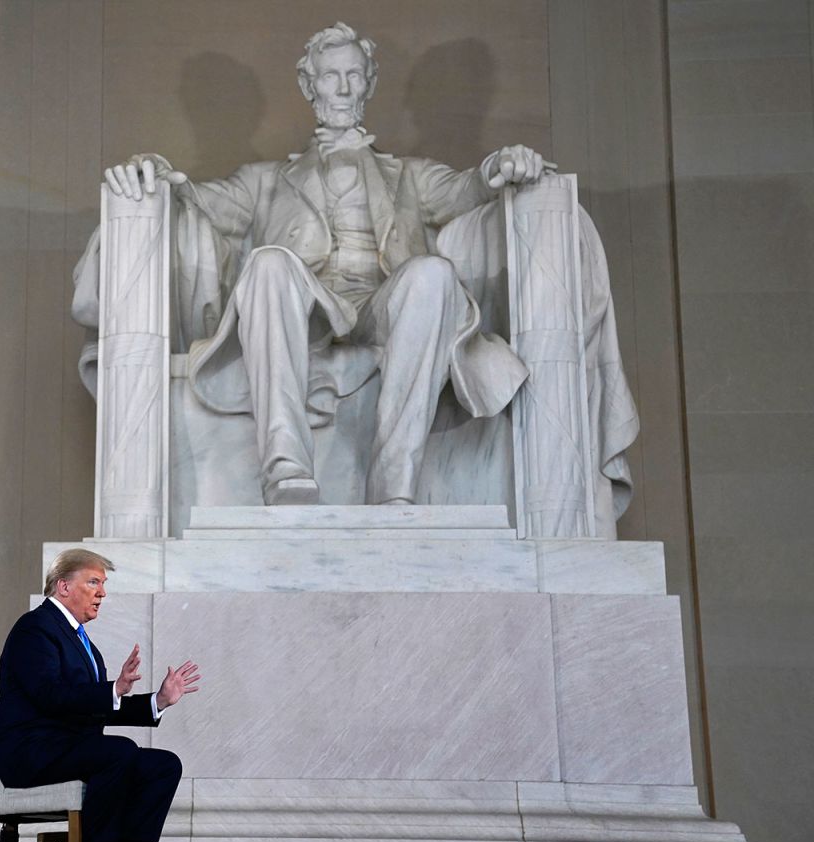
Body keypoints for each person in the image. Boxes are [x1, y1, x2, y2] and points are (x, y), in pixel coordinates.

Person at [103, 22, 549, 506]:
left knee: (433, 273)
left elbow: (467, 189)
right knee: (270, 262)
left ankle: (394, 483)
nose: (342, 88)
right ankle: (286, 470)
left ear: (370, 83)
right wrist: (153, 170)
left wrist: (500, 164)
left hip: (383, 305)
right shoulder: (266, 181)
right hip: (308, 307)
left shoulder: (410, 176)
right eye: (330, 75)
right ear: (308, 84)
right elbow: (196, 198)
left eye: (354, 75)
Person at [0, 548, 200, 842]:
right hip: (32, 751)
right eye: (94, 582)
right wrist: (111, 690)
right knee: (118, 751)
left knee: (163, 766)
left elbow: (94, 708)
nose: (103, 593)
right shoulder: (34, 628)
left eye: (103, 584)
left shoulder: (84, 643)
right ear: (64, 586)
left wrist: (159, 700)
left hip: (68, 748)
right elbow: (49, 695)